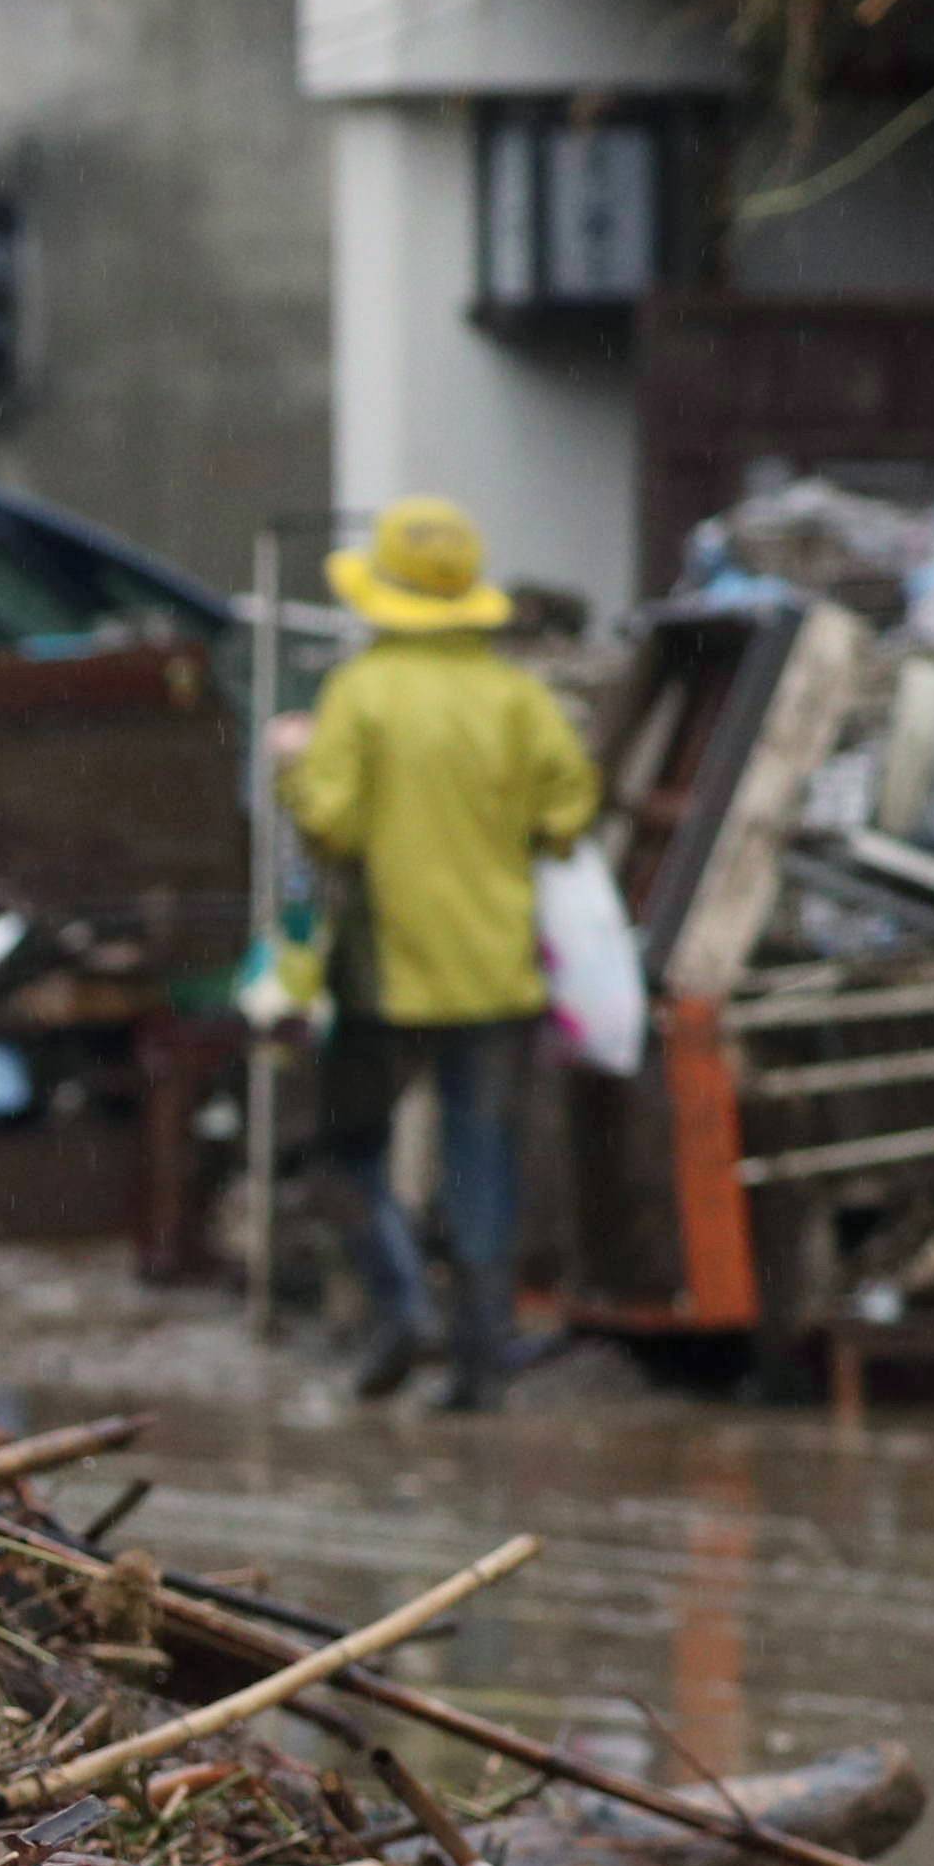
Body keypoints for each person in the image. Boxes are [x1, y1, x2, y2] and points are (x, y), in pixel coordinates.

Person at [279, 495, 602, 1411]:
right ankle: (481, 1360)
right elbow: (568, 813)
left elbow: (331, 826)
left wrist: (293, 769)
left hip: (388, 976)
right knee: (481, 1160)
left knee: (348, 1151)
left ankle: (403, 1307)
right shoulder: (517, 698)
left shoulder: (363, 694)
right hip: (497, 972)